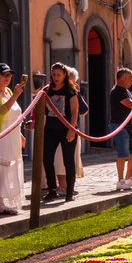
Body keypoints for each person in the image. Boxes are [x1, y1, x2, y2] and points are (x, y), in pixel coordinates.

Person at [0, 64, 26, 214]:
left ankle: (4, 200)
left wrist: (19, 134)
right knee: (0, 166)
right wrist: (16, 95)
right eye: (4, 75)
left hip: (11, 134)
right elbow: (2, 112)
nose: (7, 78)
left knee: (9, 166)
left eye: (9, 75)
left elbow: (13, 116)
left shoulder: (7, 91)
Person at [42, 62, 79, 203]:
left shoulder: (70, 90)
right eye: (54, 74)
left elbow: (75, 110)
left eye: (59, 74)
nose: (56, 77)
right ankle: (52, 190)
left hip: (66, 128)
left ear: (64, 75)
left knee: (68, 160)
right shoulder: (47, 90)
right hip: (51, 128)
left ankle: (70, 192)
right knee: (47, 158)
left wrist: (72, 129)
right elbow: (42, 109)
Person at [55, 66, 87, 198]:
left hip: (73, 129)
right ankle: (61, 185)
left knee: (71, 159)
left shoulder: (74, 91)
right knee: (60, 159)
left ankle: (68, 186)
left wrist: (78, 94)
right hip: (58, 129)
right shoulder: (55, 89)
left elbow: (84, 110)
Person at [111, 68, 132, 191]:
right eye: (130, 77)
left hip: (130, 126)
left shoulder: (126, 91)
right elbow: (130, 103)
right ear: (123, 78)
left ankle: (127, 178)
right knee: (123, 154)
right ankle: (120, 180)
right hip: (119, 125)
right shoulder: (117, 91)